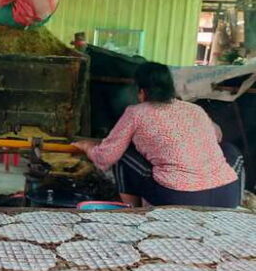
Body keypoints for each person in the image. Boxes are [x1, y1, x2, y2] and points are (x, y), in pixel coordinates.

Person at [74, 62, 243, 208]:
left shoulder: (137, 113)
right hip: (227, 196)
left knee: (123, 155)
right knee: (229, 150)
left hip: (179, 198)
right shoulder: (195, 109)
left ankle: (130, 211)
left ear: (141, 91)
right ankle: (239, 206)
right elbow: (216, 136)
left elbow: (107, 156)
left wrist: (87, 147)